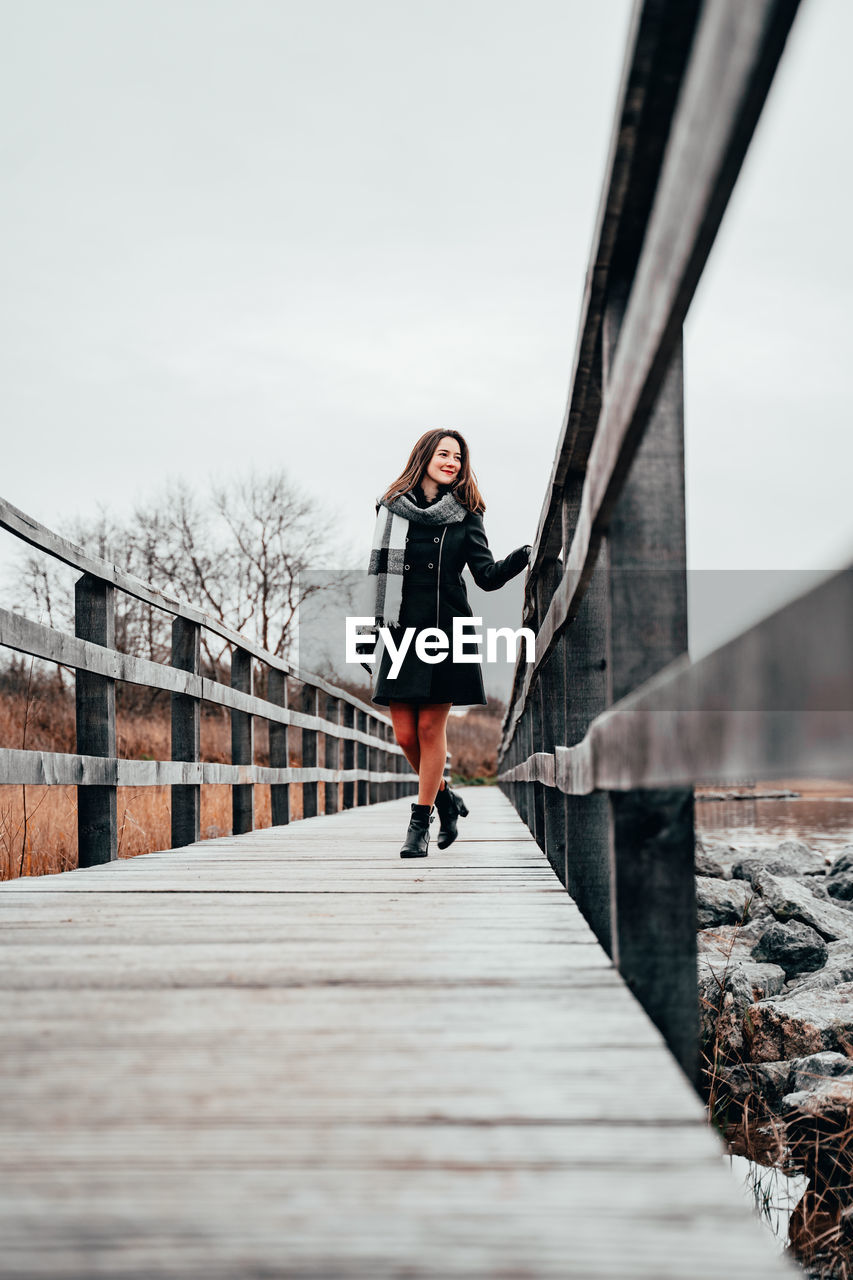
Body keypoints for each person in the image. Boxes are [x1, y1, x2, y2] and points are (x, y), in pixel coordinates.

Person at [366, 429, 532, 858]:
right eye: (444, 454)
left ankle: (419, 824)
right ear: (424, 456)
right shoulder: (389, 510)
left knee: (428, 728)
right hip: (401, 631)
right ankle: (446, 799)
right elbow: (378, 576)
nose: (452, 462)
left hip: (447, 631)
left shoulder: (466, 514)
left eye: (458, 457)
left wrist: (527, 556)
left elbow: (486, 576)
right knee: (404, 735)